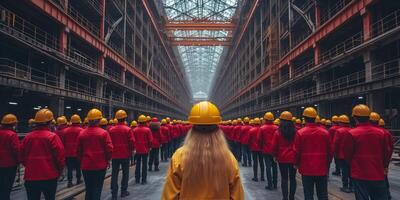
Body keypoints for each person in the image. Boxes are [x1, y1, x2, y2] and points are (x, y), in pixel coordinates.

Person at [162, 101, 244, 199]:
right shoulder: (229, 159)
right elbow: (237, 196)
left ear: (192, 129)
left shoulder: (179, 157)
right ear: (218, 130)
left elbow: (170, 196)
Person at [342, 105, 391, 200]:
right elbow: (387, 153)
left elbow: (347, 154)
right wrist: (384, 166)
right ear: (369, 117)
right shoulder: (382, 133)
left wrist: (353, 166)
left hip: (359, 174)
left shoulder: (352, 133)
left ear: (355, 118)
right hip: (378, 173)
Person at [21, 109, 65, 200]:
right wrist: (59, 172)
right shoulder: (52, 137)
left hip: (31, 176)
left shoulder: (27, 137)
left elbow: (21, 156)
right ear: (50, 122)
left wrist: (30, 166)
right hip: (49, 176)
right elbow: (60, 157)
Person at [295, 107, 331, 200]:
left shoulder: (300, 133)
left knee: (308, 194)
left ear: (305, 118)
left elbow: (297, 151)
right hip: (321, 168)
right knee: (323, 194)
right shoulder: (325, 133)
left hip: (306, 169)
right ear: (315, 118)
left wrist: (296, 164)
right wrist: (327, 165)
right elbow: (330, 151)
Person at [77, 108, 113, 200]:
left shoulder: (81, 133)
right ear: (99, 120)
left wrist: (82, 161)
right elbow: (109, 149)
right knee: (97, 189)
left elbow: (78, 151)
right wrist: (107, 160)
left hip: (86, 166)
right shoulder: (104, 133)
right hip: (100, 166)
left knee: (88, 189)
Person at [109, 110, 134, 199]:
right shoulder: (128, 129)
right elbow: (131, 142)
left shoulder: (111, 130)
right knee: (125, 173)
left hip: (115, 155)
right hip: (125, 154)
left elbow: (109, 143)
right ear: (125, 118)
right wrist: (131, 151)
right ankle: (123, 191)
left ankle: (114, 194)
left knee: (114, 174)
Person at [271, 111, 297, 200]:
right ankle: (292, 197)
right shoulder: (295, 132)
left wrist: (274, 155)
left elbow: (274, 146)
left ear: (281, 120)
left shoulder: (278, 132)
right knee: (293, 178)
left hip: (282, 158)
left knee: (284, 178)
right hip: (293, 158)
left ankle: (285, 198)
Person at [0, 114, 20, 200]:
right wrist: (20, 160)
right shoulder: (12, 135)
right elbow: (17, 150)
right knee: (7, 186)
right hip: (9, 164)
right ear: (13, 124)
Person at [333, 115, 352, 193]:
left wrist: (335, 153)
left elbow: (336, 143)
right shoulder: (352, 130)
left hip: (342, 155)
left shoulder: (339, 131)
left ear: (341, 122)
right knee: (351, 171)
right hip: (351, 155)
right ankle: (352, 186)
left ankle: (345, 186)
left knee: (344, 171)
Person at [63, 114, 83, 188]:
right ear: (78, 122)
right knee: (78, 167)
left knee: (70, 168)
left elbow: (63, 142)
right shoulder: (81, 130)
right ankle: (78, 179)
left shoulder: (65, 131)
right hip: (77, 152)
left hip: (68, 153)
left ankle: (70, 182)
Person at [132, 115, 153, 184]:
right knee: (144, 165)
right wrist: (149, 147)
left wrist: (134, 149)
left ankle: (137, 179)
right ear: (144, 122)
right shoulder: (147, 130)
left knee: (137, 164)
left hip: (137, 150)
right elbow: (150, 140)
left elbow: (133, 140)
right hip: (145, 150)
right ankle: (143, 180)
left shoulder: (134, 130)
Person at [260, 112, 278, 190]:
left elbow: (259, 139)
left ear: (266, 119)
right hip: (274, 151)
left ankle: (270, 185)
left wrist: (262, 147)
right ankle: (275, 184)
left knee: (268, 167)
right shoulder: (277, 128)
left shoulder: (262, 128)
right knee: (274, 167)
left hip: (266, 151)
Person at [378, 118, 393, 200]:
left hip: (378, 160)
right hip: (384, 160)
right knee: (384, 177)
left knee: (380, 179)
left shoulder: (378, 132)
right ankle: (388, 194)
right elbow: (390, 148)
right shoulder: (387, 133)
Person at [248, 118, 264, 182]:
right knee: (261, 162)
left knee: (255, 162)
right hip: (261, 148)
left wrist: (250, 146)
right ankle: (262, 177)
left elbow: (249, 140)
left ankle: (255, 177)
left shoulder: (251, 130)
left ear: (254, 123)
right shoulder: (261, 129)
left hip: (254, 148)